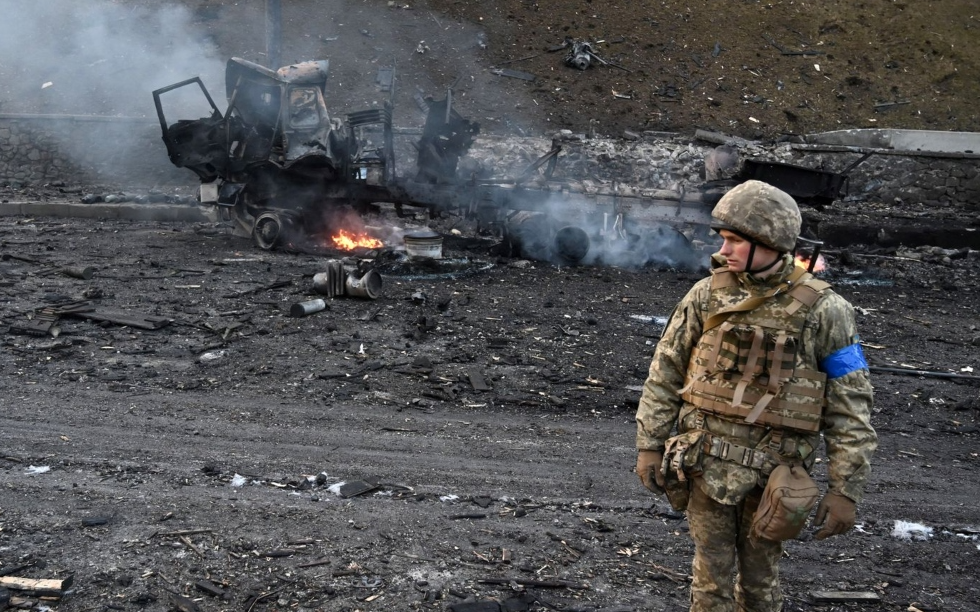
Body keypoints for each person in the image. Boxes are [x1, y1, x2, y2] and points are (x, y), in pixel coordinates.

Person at [634, 180, 877, 612]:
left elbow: (850, 404)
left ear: (767, 240)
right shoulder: (707, 295)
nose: (723, 250)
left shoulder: (827, 311)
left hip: (776, 477)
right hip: (705, 463)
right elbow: (665, 370)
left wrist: (845, 490)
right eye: (723, 239)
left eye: (733, 240)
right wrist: (649, 444)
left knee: (761, 586)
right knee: (710, 584)